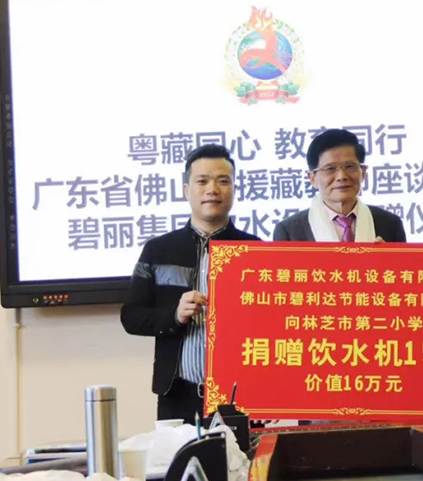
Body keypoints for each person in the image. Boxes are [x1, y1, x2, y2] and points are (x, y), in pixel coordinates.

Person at [120, 144, 261, 423]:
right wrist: (174, 315)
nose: (213, 190)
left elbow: (270, 322)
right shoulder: (158, 250)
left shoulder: (255, 250)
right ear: (187, 190)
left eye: (223, 181)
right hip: (177, 396)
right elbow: (131, 317)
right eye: (202, 181)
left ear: (234, 188)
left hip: (239, 396)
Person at [273, 128, 406, 243]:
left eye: (349, 166)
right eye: (330, 169)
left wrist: (386, 259)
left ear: (363, 172)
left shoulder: (390, 224)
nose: (342, 176)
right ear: (312, 178)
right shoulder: (289, 231)